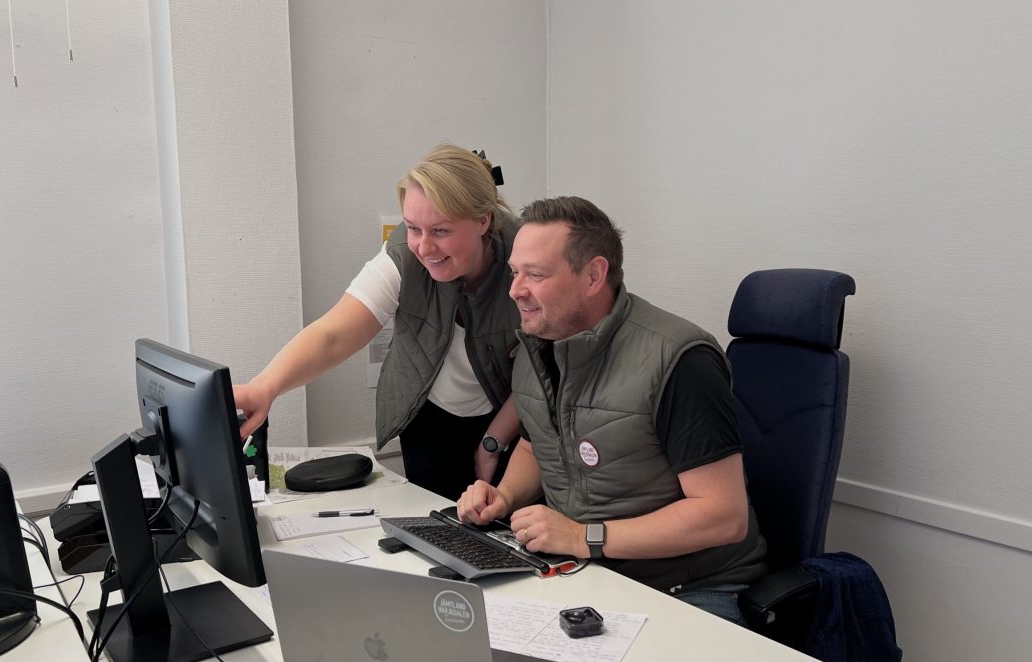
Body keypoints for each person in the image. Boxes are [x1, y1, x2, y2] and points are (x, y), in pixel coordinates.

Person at [457, 196, 768, 623]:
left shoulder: (680, 359)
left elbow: (722, 516)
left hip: (690, 586)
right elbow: (536, 444)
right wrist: (504, 498)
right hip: (587, 571)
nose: (515, 290)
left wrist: (584, 537)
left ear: (593, 275)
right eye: (515, 272)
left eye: (536, 274)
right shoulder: (539, 343)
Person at [234, 144, 522, 500]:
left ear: (483, 220)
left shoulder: (525, 260)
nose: (424, 247)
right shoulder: (403, 255)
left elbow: (542, 375)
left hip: (512, 415)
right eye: (413, 227)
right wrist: (266, 387)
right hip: (429, 417)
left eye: (441, 231)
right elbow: (333, 335)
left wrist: (494, 441)